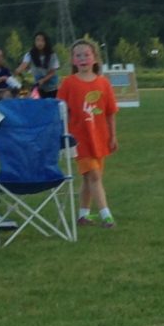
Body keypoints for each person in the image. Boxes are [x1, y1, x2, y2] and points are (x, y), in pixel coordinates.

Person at [59, 38, 120, 227]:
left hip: (99, 138)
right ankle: (106, 216)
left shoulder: (103, 83)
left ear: (94, 58)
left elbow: (110, 112)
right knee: (94, 176)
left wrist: (113, 136)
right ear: (73, 60)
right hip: (79, 139)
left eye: (86, 55)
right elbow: (60, 111)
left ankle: (83, 215)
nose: (83, 59)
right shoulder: (68, 83)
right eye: (78, 55)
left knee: (89, 178)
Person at [19, 32, 61, 98]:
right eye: (37, 40)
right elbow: (24, 64)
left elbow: (52, 72)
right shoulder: (30, 54)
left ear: (46, 42)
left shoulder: (52, 55)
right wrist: (18, 70)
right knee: (25, 95)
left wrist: (43, 80)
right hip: (39, 88)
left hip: (52, 87)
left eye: (42, 41)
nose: (40, 43)